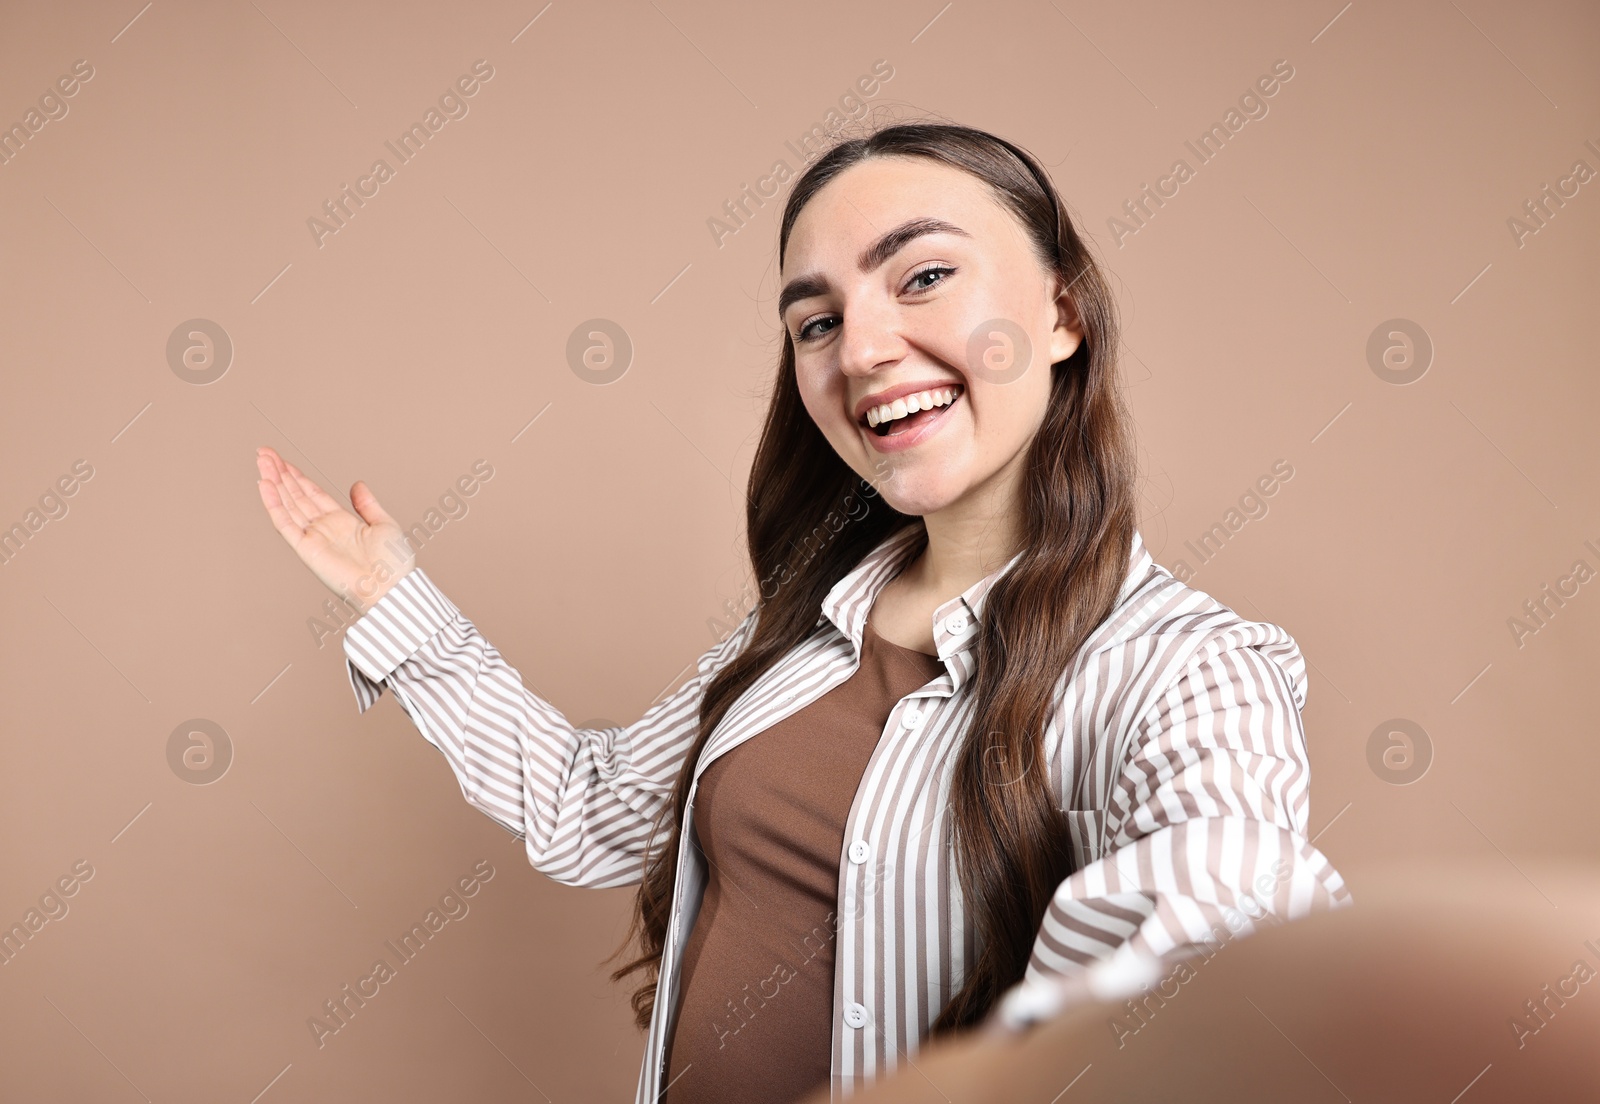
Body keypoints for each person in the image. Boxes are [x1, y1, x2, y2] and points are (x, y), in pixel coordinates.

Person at [255, 121, 1351, 1104]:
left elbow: (1219, 917)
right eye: (815, 321)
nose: (862, 349)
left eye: (921, 276)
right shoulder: (798, 634)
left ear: (1061, 312)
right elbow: (586, 814)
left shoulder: (1185, 669)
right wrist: (394, 599)